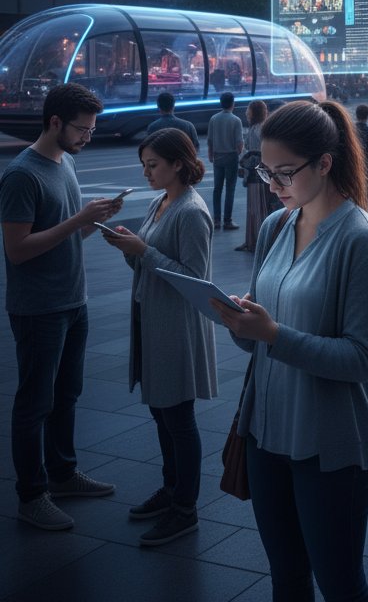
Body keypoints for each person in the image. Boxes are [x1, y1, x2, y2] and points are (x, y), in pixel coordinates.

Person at [211, 100, 368, 601]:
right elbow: (257, 342)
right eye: (265, 170)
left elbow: (362, 359)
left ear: (325, 163)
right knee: (287, 579)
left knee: (339, 582)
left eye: (285, 172)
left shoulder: (362, 241)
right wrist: (240, 323)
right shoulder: (276, 227)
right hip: (266, 434)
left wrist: (274, 335)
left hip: (330, 447)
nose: (273, 184)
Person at [0, 83, 122, 530]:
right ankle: (31, 496)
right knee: (35, 403)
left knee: (67, 395)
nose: (88, 137)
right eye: (82, 129)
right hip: (38, 309)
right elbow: (17, 250)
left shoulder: (66, 162)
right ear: (54, 122)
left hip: (74, 301)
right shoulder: (21, 176)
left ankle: (64, 473)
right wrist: (78, 219)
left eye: (91, 129)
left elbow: (63, 236)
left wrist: (94, 224)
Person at [98, 129, 216, 546]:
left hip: (176, 328)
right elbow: (148, 262)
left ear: (178, 164)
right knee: (161, 413)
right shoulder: (160, 202)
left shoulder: (191, 211)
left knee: (178, 418)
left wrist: (142, 251)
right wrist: (130, 250)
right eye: (144, 166)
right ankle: (171, 490)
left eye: (153, 166)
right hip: (153, 320)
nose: (146, 173)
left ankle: (185, 507)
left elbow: (196, 279)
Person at [238, 100, 276, 252]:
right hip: (260, 171)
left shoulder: (257, 129)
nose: (247, 113)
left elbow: (254, 150)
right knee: (259, 206)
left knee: (256, 207)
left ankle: (255, 240)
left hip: (257, 172)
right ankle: (255, 240)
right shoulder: (260, 128)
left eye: (249, 110)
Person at [207, 91, 244, 231]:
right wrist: (241, 155)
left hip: (218, 157)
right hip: (231, 157)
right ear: (232, 104)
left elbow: (210, 140)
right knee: (230, 189)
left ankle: (216, 220)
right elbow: (239, 143)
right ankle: (227, 221)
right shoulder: (236, 120)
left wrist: (211, 155)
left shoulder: (214, 119)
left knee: (217, 189)